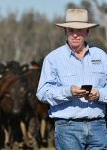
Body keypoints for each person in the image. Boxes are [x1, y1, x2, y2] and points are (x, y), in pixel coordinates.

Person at [36, 8, 107, 150]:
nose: (75, 35)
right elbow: (42, 92)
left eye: (80, 31)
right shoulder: (53, 59)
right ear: (65, 32)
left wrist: (99, 94)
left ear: (87, 32)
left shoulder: (101, 56)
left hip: (98, 126)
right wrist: (68, 92)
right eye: (71, 30)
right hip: (67, 128)